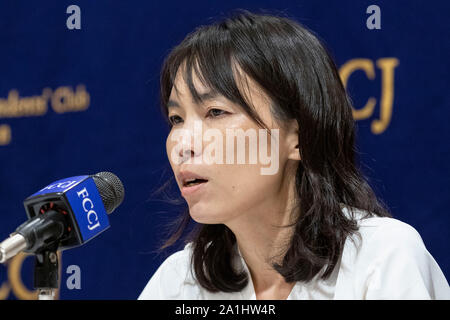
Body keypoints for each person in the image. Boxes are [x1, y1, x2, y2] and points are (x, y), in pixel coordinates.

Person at [138, 10, 449, 300]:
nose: (182, 144)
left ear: (298, 137)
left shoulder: (383, 258)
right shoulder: (179, 283)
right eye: (176, 119)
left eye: (215, 112)